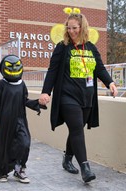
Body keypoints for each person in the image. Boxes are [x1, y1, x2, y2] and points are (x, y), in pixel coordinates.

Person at [39, 9, 118, 183]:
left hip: (87, 96)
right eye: (69, 28)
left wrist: (110, 83)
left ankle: (67, 158)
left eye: (75, 28)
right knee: (76, 128)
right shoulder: (62, 47)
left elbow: (100, 69)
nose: (71, 31)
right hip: (67, 96)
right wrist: (46, 91)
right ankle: (85, 167)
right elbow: (52, 71)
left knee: (77, 130)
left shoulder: (90, 47)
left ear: (83, 28)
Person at [0, 55, 46, 183]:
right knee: (6, 146)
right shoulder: (1, 85)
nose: (13, 70)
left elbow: (24, 100)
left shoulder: (21, 84)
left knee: (25, 143)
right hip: (6, 121)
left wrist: (38, 103)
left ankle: (19, 169)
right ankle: (3, 171)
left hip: (20, 119)